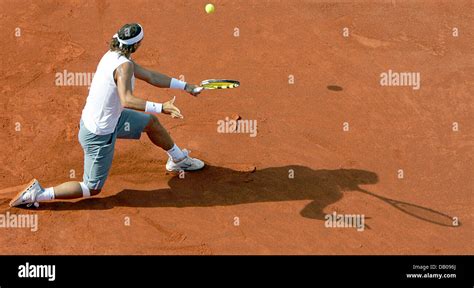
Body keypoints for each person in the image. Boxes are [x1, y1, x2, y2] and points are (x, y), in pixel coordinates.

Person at [10, 23, 204, 208]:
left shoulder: (114, 55)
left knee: (151, 123)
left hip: (107, 119)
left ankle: (178, 160)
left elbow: (151, 76)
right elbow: (127, 99)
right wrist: (162, 107)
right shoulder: (124, 67)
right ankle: (38, 194)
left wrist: (186, 86)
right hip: (99, 134)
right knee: (91, 188)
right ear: (136, 45)